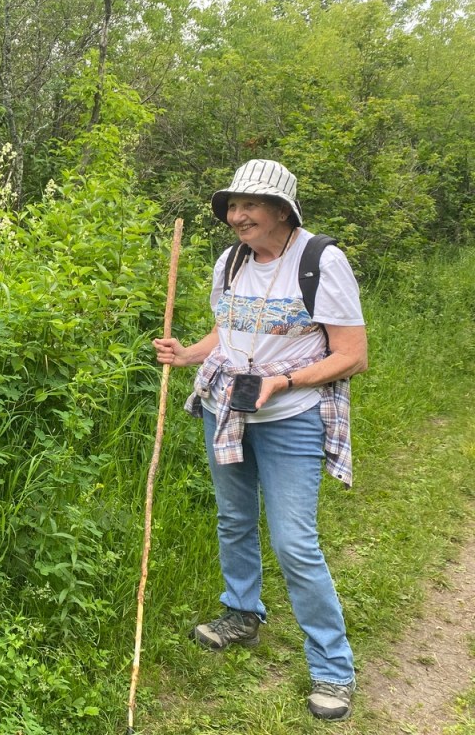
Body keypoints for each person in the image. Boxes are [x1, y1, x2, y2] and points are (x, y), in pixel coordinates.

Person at [152, 159, 368, 721]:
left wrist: (284, 381)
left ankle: (332, 666)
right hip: (227, 408)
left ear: (281, 210)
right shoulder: (231, 262)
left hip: (291, 414)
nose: (236, 215)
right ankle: (242, 613)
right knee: (233, 519)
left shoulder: (321, 261)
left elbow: (352, 355)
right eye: (232, 206)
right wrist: (189, 353)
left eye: (249, 205)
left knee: (295, 542)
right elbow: (229, 330)